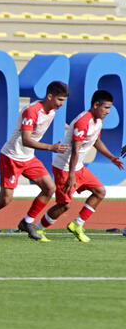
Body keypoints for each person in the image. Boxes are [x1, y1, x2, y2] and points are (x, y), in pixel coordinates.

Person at [0, 81, 69, 241]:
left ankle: (27, 222)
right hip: (12, 157)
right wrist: (51, 148)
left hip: (28, 158)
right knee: (5, 199)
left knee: (50, 188)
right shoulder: (32, 111)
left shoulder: (52, 113)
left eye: (63, 100)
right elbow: (26, 140)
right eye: (59, 100)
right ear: (50, 96)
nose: (61, 104)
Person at [36, 90, 123, 242]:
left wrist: (111, 157)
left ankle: (77, 224)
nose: (108, 112)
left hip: (77, 167)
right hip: (64, 167)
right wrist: (71, 176)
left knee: (100, 192)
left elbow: (96, 141)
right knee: (64, 205)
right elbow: (75, 149)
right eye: (106, 108)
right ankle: (38, 229)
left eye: (109, 108)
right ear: (96, 105)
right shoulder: (83, 121)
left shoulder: (98, 121)